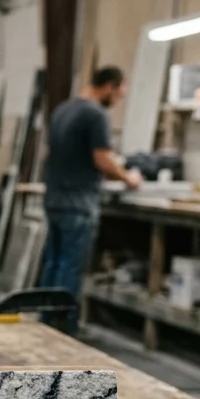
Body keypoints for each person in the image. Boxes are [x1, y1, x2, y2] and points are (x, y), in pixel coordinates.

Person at [39, 65, 142, 335]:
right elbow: (102, 158)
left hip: (56, 197)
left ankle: (45, 322)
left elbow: (52, 153)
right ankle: (64, 329)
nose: (117, 100)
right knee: (70, 267)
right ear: (108, 86)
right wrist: (127, 177)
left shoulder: (63, 110)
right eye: (118, 94)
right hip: (79, 203)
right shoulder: (95, 114)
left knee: (54, 261)